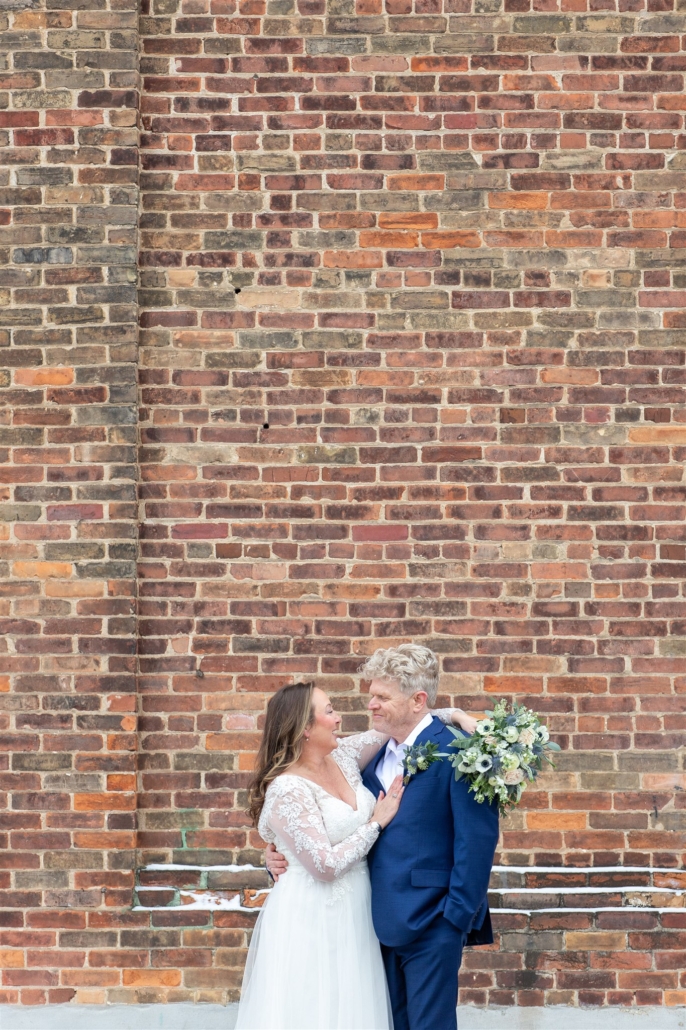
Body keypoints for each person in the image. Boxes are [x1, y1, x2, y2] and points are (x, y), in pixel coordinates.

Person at [264, 644, 499, 1030]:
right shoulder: (367, 753)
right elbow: (311, 827)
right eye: (371, 695)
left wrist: (453, 922)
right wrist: (278, 855)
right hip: (368, 924)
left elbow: (476, 843)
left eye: (381, 697)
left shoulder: (461, 754)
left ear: (417, 700)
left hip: (432, 923)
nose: (369, 705)